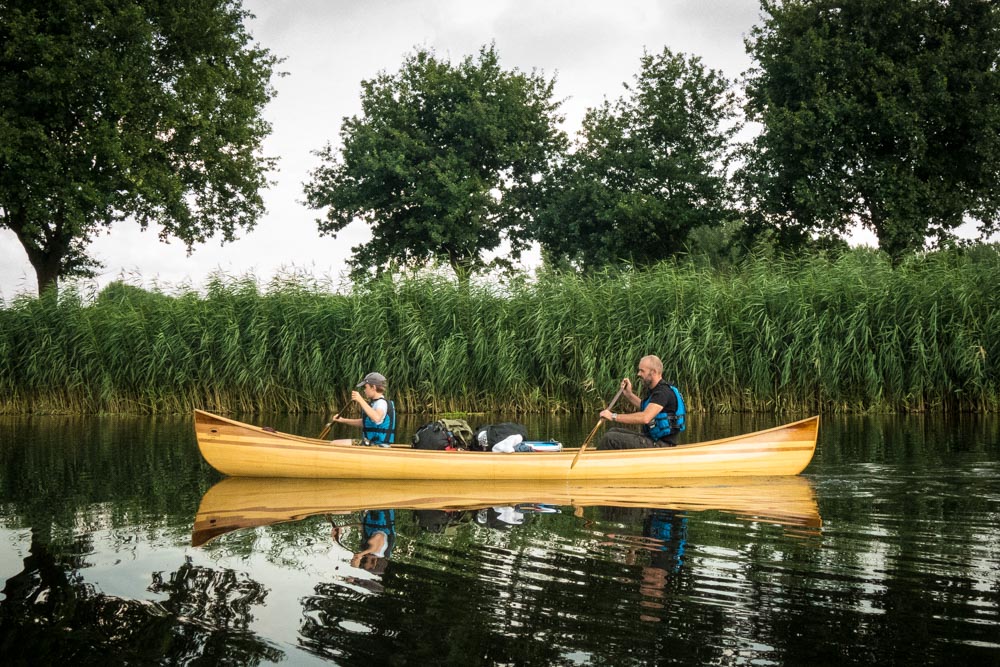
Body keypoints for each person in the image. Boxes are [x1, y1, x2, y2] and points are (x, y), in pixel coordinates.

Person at [597, 355, 684, 450]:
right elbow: (646, 407)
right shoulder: (656, 390)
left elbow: (645, 417)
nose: (638, 374)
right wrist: (629, 395)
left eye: (642, 371)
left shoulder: (663, 392)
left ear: (653, 372)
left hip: (661, 445)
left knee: (610, 439)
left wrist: (613, 416)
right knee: (612, 431)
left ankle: (595, 462)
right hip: (653, 439)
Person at [328, 372, 396, 446]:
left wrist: (360, 400)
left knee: (334, 443)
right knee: (334, 442)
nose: (364, 390)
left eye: (365, 387)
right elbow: (364, 422)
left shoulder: (381, 403)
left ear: (373, 387)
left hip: (378, 446)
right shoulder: (375, 403)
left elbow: (377, 418)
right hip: (372, 443)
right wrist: (342, 420)